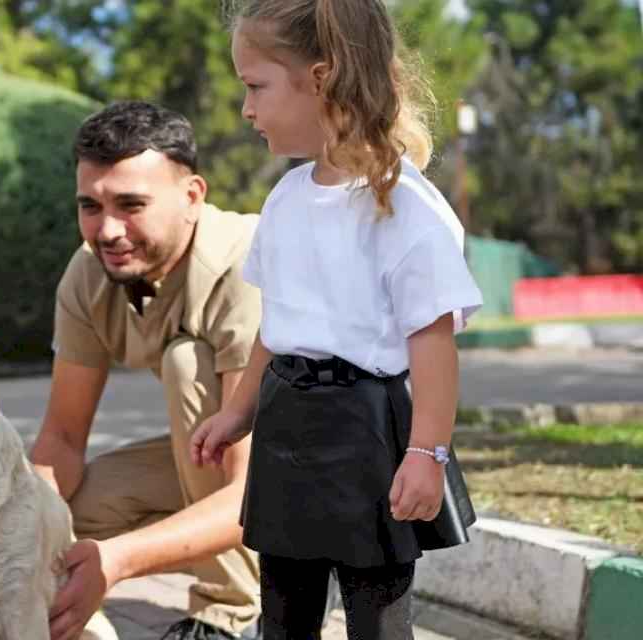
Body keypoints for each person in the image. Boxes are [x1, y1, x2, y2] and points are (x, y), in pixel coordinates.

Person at [190, 1, 484, 638]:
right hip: (288, 426)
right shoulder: (286, 200)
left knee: (374, 616)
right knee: (284, 607)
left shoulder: (405, 206)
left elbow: (432, 343)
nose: (246, 108)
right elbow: (277, 326)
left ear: (320, 79)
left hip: (369, 434)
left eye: (255, 86)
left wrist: (426, 453)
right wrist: (239, 411)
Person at [33, 101, 263, 640]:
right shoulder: (90, 274)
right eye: (90, 206)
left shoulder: (245, 265)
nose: (107, 230)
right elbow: (62, 439)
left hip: (315, 473)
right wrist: (11, 531)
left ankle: (234, 615)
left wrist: (118, 561)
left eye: (131, 204)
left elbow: (249, 491)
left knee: (188, 363)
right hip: (225, 461)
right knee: (65, 518)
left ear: (192, 197)